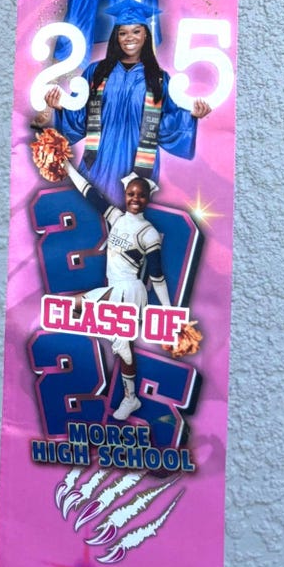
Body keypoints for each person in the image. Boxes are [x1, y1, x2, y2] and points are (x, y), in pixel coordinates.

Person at [33, 0, 210, 203]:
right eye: (123, 33)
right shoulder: (96, 72)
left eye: (136, 31)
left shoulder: (159, 79)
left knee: (129, 214)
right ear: (116, 37)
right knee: (92, 209)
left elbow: (166, 124)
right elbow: (82, 117)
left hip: (138, 162)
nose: (129, 38)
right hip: (99, 159)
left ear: (146, 35)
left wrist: (190, 116)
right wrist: (61, 107)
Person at [61, 158, 171, 421]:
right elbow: (89, 192)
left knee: (115, 340)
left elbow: (156, 276)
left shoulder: (148, 233)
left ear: (147, 198)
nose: (135, 198)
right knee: (121, 346)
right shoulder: (116, 217)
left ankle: (130, 396)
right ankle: (129, 396)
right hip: (114, 287)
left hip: (129, 291)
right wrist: (67, 168)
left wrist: (168, 311)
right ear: (125, 195)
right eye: (131, 194)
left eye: (141, 195)